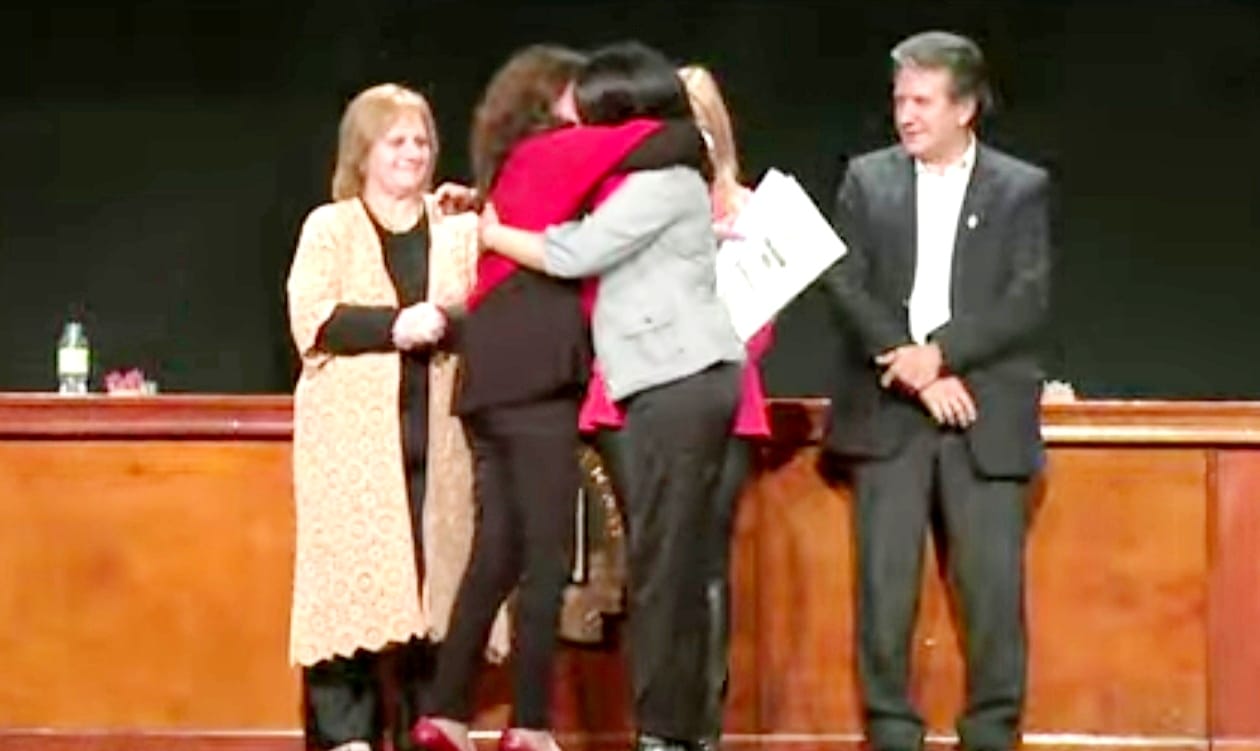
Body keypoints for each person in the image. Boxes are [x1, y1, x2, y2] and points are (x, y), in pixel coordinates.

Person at [412, 45, 705, 751]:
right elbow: (683, 136)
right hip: (538, 370)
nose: (594, 104)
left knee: (499, 550)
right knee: (545, 554)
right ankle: (531, 725)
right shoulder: (567, 148)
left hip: (488, 372)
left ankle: (444, 714)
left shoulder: (515, 163)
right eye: (581, 93)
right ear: (552, 103)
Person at [478, 41, 745, 751]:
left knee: (664, 568)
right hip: (671, 382)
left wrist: (494, 231)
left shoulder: (663, 182)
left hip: (680, 380)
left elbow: (576, 252)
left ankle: (664, 732)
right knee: (671, 565)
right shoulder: (653, 169)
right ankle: (678, 730)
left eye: (585, 105)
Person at [820, 31, 1052, 751]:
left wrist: (941, 356)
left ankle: (991, 730)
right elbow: (843, 280)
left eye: (922, 101)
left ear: (966, 107)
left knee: (992, 594)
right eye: (900, 101)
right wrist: (909, 362)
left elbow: (1026, 298)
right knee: (885, 591)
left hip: (983, 411)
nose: (907, 116)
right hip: (889, 408)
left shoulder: (1021, 188)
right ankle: (891, 730)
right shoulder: (868, 179)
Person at [579, 62, 774, 750]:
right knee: (658, 561)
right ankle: (658, 731)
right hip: (632, 404)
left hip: (720, 402)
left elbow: (759, 326)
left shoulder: (747, 211)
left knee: (707, 566)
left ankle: (701, 730)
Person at [285, 82, 485, 751]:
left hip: (440, 441)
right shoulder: (331, 226)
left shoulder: (456, 228)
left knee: (437, 592)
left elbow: (488, 300)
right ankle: (345, 734)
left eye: (422, 141)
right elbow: (313, 315)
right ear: (363, 152)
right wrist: (397, 324)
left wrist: (480, 211)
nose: (413, 153)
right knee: (347, 586)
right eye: (396, 141)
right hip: (353, 445)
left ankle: (428, 727)